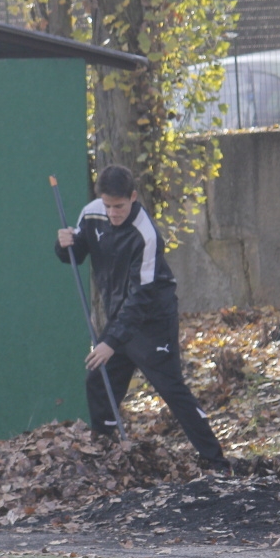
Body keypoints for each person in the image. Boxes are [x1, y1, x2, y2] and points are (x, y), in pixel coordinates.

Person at [56, 164, 229, 471]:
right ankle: (105, 448)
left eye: (119, 206)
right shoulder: (92, 212)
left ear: (133, 197)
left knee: (171, 389)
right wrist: (64, 243)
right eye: (108, 206)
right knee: (99, 380)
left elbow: (142, 295)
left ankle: (216, 461)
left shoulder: (145, 234)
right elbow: (77, 252)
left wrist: (110, 340)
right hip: (120, 317)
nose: (112, 213)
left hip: (152, 319)